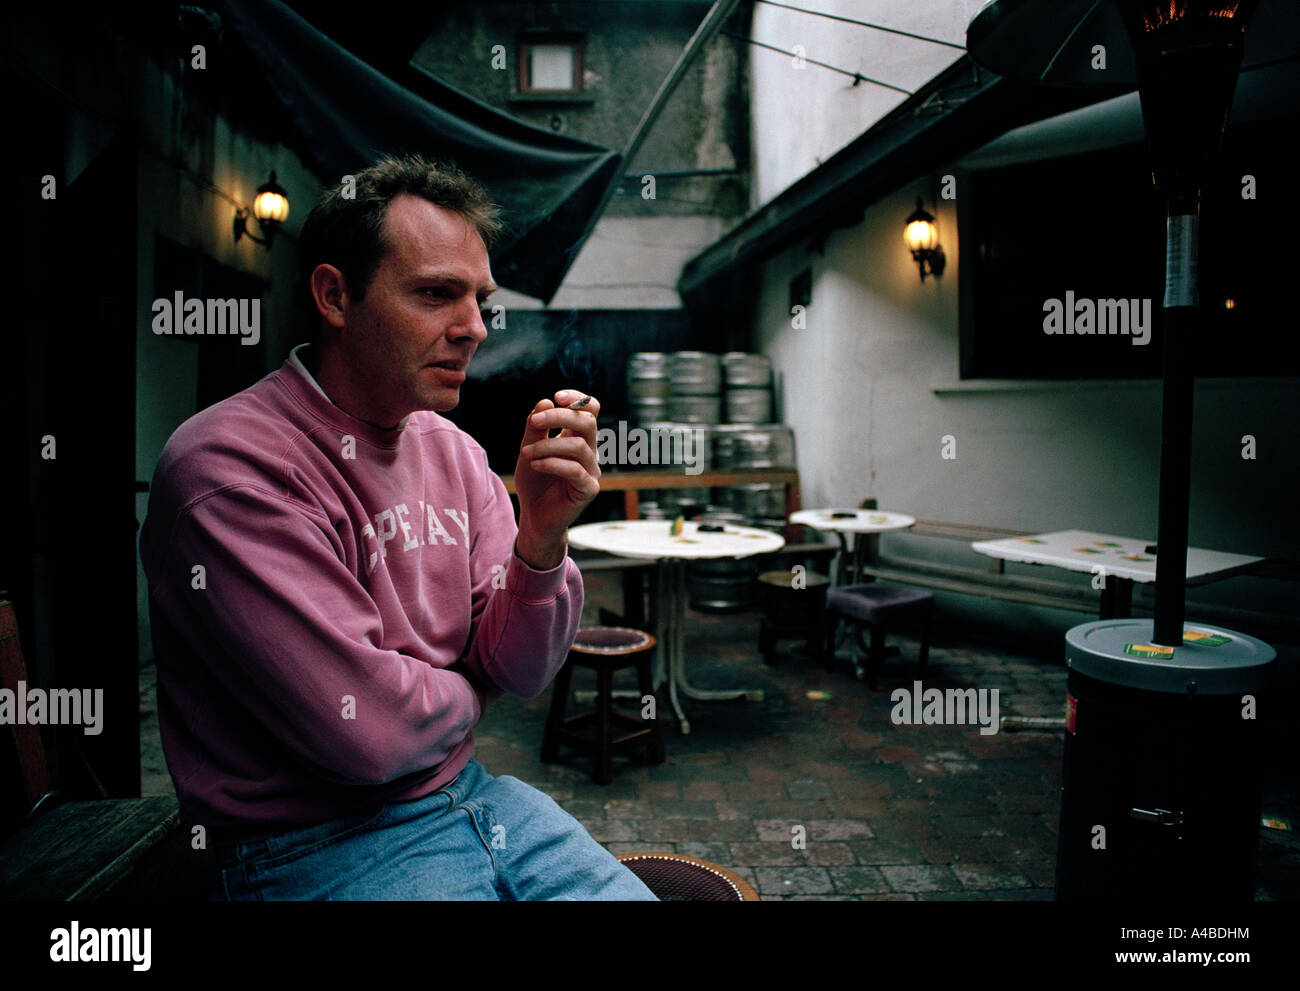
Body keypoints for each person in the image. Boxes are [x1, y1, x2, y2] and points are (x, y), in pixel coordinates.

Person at [139, 154, 656, 900]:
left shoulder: (453, 450)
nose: (474, 328)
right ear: (334, 295)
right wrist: (471, 691)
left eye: (480, 298)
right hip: (309, 846)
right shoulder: (229, 470)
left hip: (479, 800)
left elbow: (522, 669)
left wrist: (540, 539)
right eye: (437, 294)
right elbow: (367, 731)